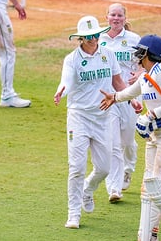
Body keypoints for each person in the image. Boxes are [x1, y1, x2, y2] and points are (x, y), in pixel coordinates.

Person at [100, 34, 161, 241]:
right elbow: (129, 93)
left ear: (149, 54)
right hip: (156, 135)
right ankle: (147, 240)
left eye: (140, 51)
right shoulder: (146, 77)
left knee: (159, 184)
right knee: (148, 185)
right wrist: (114, 97)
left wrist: (151, 115)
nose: (136, 55)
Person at [53, 15, 130, 229]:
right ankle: (73, 214)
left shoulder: (108, 54)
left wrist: (131, 101)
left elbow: (118, 82)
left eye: (95, 35)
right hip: (78, 117)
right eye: (88, 36)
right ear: (80, 38)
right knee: (76, 167)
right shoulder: (72, 59)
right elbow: (66, 80)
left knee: (104, 169)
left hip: (103, 118)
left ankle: (88, 189)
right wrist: (62, 91)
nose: (93, 39)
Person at [98, 3, 141, 201]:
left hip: (131, 94)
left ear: (125, 18)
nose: (116, 18)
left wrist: (139, 74)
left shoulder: (133, 39)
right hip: (109, 97)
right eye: (112, 15)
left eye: (119, 15)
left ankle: (128, 168)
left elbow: (146, 64)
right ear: (106, 16)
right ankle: (113, 188)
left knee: (128, 142)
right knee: (113, 144)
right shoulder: (99, 39)